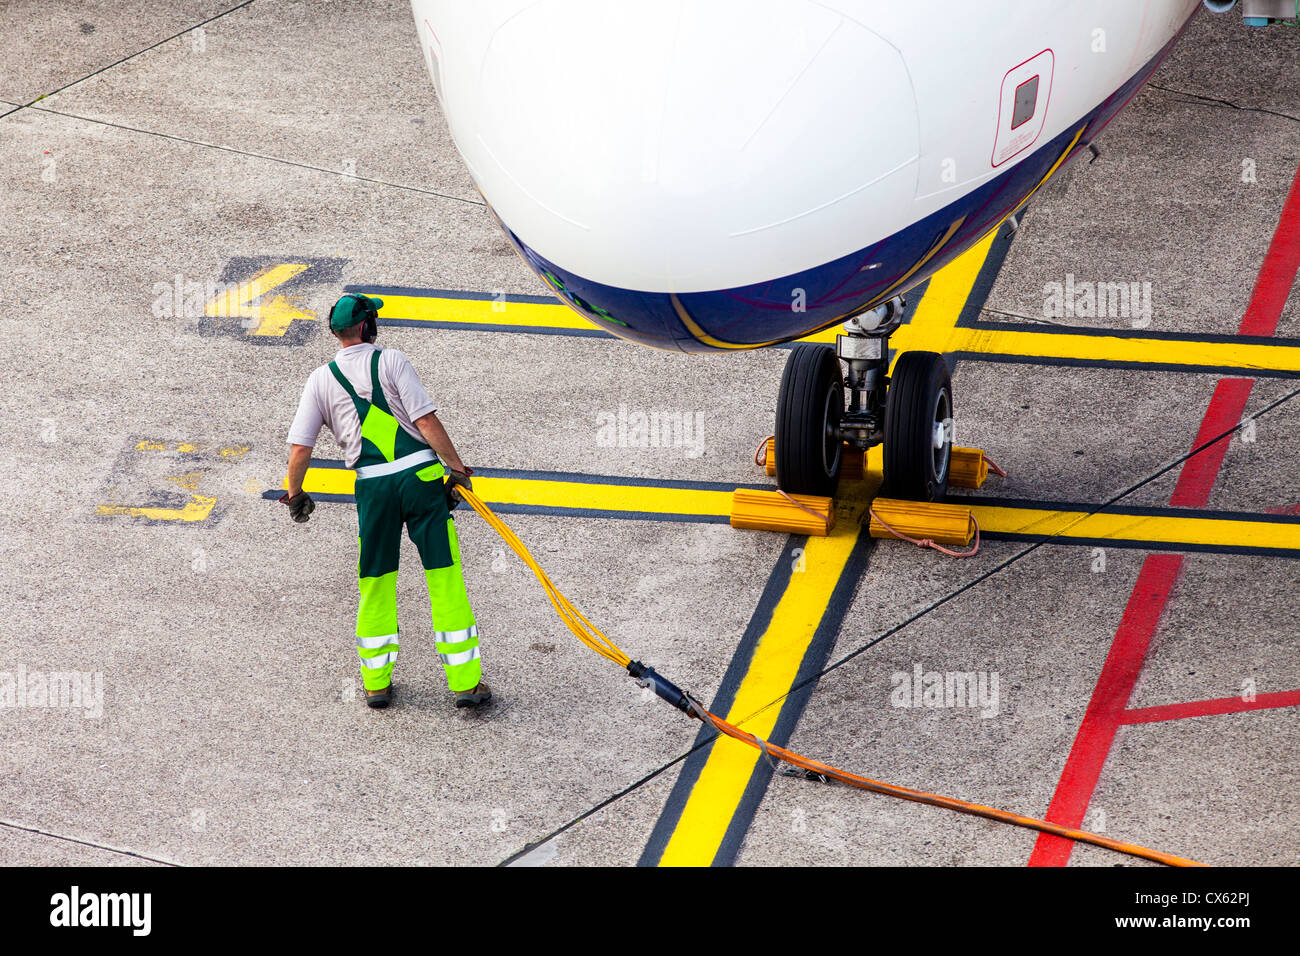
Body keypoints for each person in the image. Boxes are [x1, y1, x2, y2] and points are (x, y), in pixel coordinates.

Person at [280, 293, 490, 710]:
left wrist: (295, 492)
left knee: (375, 581)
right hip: (420, 479)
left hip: (373, 490)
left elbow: (300, 448)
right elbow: (425, 420)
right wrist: (458, 470)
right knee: (444, 576)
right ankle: (465, 683)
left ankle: (376, 683)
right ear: (368, 326)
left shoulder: (320, 379)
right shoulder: (391, 361)